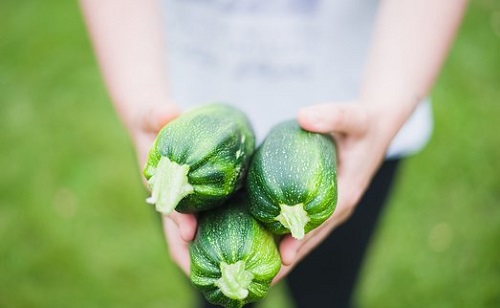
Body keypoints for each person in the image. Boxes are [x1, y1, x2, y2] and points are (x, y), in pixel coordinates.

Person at [80, 0, 466, 307]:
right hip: (187, 122)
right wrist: (140, 100)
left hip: (358, 123)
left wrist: (387, 109)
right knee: (215, 292)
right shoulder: (175, 155)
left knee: (328, 292)